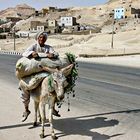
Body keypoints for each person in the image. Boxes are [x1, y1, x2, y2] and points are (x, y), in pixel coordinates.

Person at [21, 31, 60, 122]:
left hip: (47, 71)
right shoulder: (34, 46)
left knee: (57, 85)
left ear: (45, 39)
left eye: (43, 38)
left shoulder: (48, 48)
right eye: (40, 38)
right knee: (25, 87)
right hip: (34, 73)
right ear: (38, 39)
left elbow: (55, 53)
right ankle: (26, 110)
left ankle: (53, 107)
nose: (42, 39)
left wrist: (52, 55)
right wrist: (32, 54)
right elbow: (25, 53)